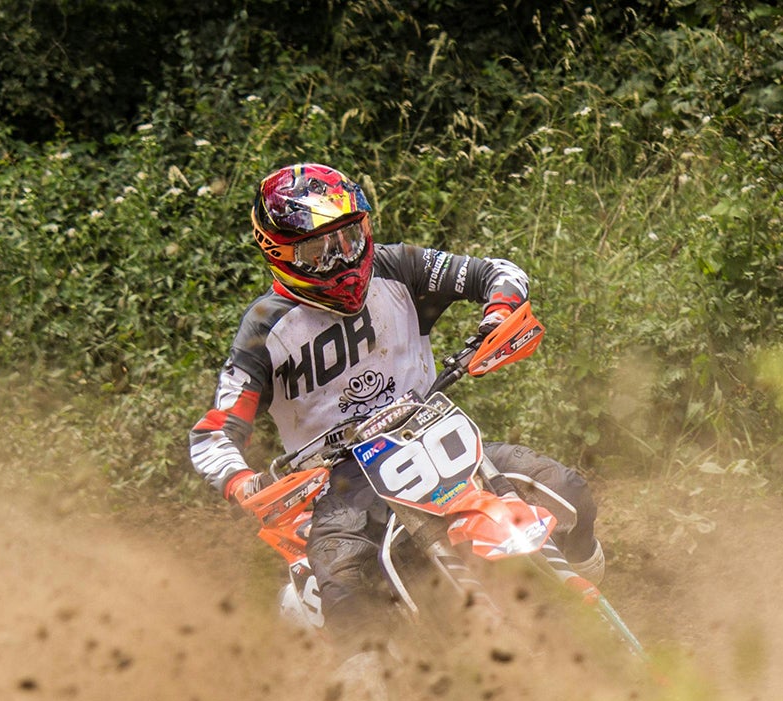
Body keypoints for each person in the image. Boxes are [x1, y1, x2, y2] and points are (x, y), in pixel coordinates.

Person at [188, 162, 606, 657]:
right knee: (345, 587)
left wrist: (498, 312)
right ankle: (365, 684)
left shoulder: (397, 266)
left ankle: (597, 605)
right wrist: (245, 482)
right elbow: (213, 433)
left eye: (349, 239)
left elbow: (497, 271)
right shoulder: (264, 328)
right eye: (319, 250)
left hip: (434, 436)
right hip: (340, 479)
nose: (341, 259)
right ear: (280, 253)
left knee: (568, 492)